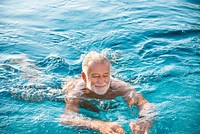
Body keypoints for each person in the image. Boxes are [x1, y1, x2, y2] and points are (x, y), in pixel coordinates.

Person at [60, 51, 155, 134]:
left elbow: (146, 105)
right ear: (84, 77)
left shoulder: (119, 87)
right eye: (95, 76)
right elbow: (67, 118)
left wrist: (145, 119)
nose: (101, 81)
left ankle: (114, 57)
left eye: (105, 75)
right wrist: (99, 125)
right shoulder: (77, 92)